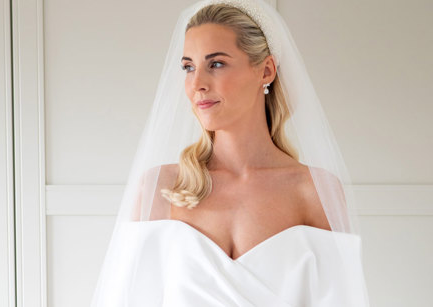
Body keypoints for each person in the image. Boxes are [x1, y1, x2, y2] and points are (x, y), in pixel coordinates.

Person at [91, 0, 371, 306]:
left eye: (216, 64)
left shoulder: (314, 190)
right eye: (188, 67)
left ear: (266, 70)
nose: (196, 84)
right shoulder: (160, 188)